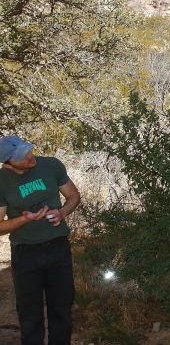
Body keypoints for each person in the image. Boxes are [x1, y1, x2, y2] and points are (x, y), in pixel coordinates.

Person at [0, 135, 81, 345]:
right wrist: (23, 219)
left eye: (28, 150)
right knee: (30, 315)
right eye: (22, 157)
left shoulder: (51, 165)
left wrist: (62, 213)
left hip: (58, 248)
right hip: (25, 253)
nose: (30, 157)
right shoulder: (2, 181)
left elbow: (73, 196)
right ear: (8, 164)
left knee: (62, 310)